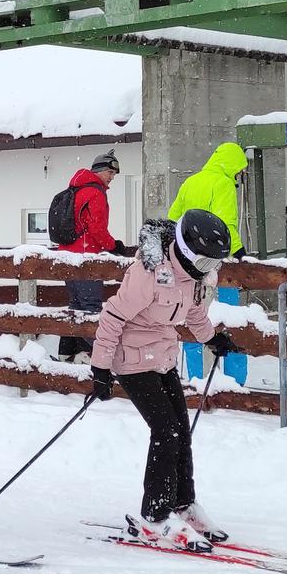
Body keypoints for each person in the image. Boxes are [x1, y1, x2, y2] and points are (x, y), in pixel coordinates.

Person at [89, 210, 239, 552]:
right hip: (131, 358)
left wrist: (211, 338)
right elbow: (112, 316)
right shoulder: (149, 274)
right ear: (185, 251)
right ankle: (155, 516)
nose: (209, 269)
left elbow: (195, 312)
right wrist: (101, 368)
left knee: (180, 430)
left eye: (214, 264)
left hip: (162, 355)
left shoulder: (195, 277)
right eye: (204, 262)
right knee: (166, 430)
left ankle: (183, 504)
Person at [54, 149, 126, 360]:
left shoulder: (77, 188)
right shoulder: (95, 193)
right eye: (110, 173)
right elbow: (97, 229)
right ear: (100, 171)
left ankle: (67, 353)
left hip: (67, 257)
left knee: (76, 306)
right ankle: (98, 356)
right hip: (86, 258)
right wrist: (113, 246)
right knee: (91, 308)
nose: (112, 178)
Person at [167, 142, 248, 258]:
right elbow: (224, 224)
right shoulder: (224, 183)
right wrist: (239, 253)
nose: (239, 175)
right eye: (239, 171)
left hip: (188, 251)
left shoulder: (191, 181)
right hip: (211, 253)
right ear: (233, 166)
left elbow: (173, 217)